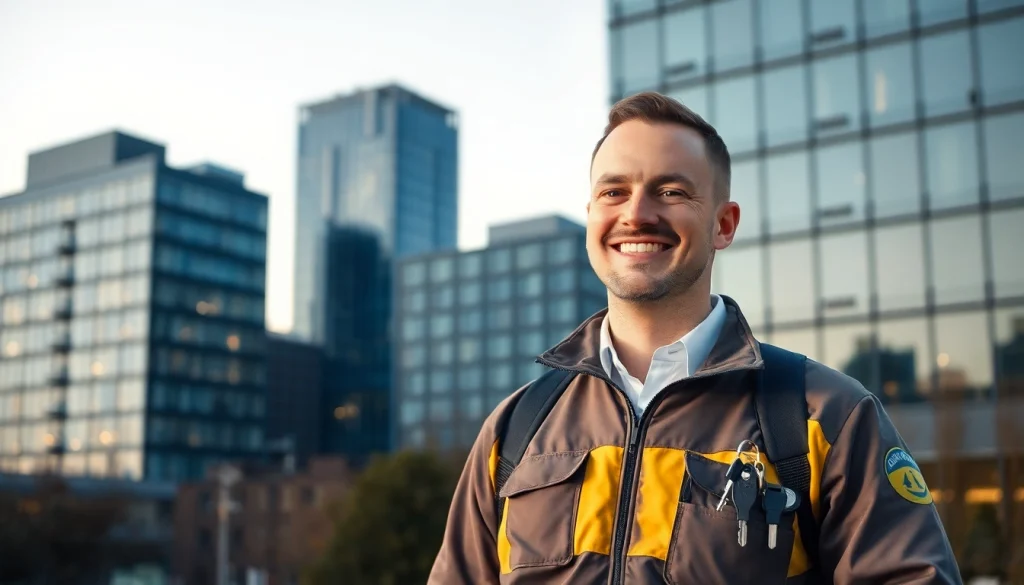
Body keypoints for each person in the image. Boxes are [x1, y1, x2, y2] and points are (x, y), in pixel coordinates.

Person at [427, 92, 962, 584]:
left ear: (724, 225)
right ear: (592, 217)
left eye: (671, 191)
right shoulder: (516, 429)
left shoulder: (825, 417)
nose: (636, 213)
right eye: (614, 191)